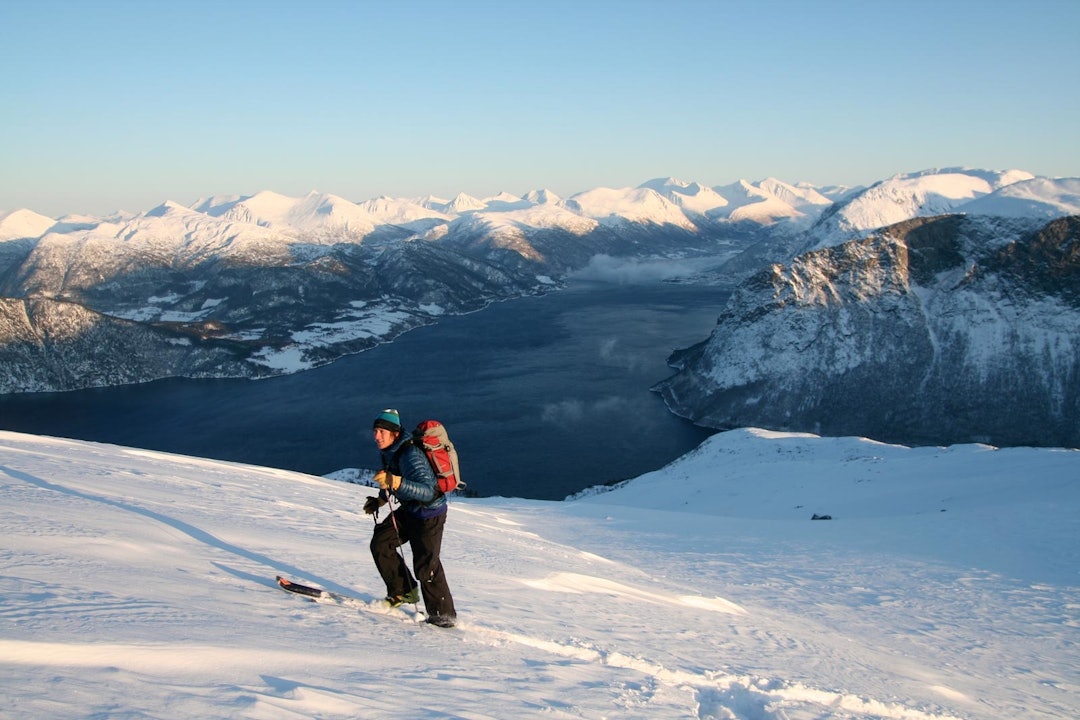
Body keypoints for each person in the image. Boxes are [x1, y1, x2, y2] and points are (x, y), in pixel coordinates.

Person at [364, 408, 457, 628]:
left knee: (426, 566)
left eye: (381, 432)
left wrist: (396, 482)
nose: (376, 436)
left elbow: (428, 491)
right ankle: (403, 592)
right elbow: (391, 476)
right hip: (410, 509)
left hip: (429, 515)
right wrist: (380, 500)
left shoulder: (410, 455)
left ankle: (444, 618)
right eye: (375, 431)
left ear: (394, 433)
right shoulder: (391, 451)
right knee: (381, 543)